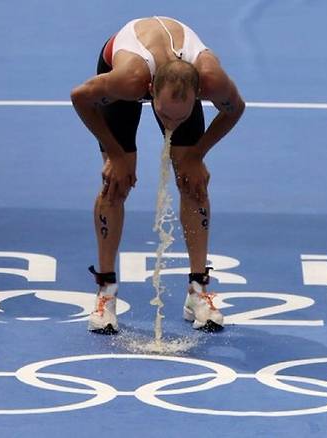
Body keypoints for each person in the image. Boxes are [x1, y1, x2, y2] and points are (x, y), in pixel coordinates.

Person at [71, 16, 245, 334]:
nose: (170, 124)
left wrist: (196, 154)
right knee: (117, 182)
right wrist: (114, 154)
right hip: (127, 67)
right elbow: (80, 97)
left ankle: (198, 291)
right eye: (163, 115)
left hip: (176, 78)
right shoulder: (129, 80)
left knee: (193, 181)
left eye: (181, 116)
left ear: (198, 94)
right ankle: (105, 294)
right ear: (150, 93)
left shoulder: (211, 78)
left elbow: (236, 108)